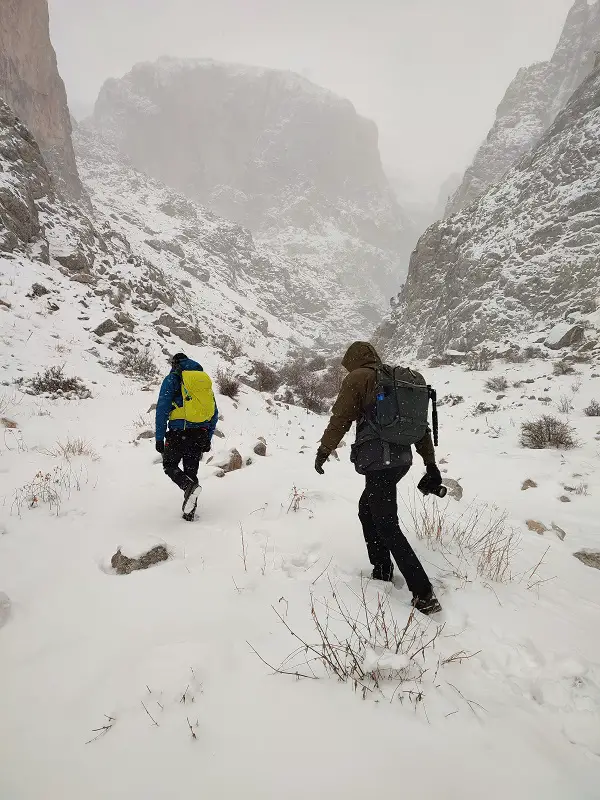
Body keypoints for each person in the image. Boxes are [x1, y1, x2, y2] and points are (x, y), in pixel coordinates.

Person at [314, 342, 442, 615]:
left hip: (379, 460)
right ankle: (382, 569)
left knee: (386, 524)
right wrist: (430, 464)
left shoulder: (359, 377)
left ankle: (423, 593)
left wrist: (324, 451)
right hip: (400, 461)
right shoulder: (393, 381)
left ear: (353, 360)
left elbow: (341, 418)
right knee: (367, 509)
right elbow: (420, 427)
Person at [155, 353, 218, 521]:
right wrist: (208, 438)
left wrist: (159, 437)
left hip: (178, 433)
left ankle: (188, 487)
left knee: (169, 465)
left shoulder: (173, 379)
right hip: (200, 434)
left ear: (175, 363)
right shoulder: (203, 382)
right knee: (191, 471)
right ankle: (189, 514)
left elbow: (162, 409)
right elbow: (214, 414)